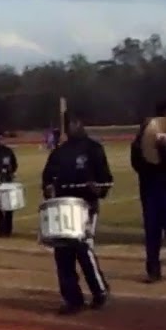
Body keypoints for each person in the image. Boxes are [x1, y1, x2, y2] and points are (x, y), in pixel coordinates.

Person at [41, 112, 112, 313]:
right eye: (68, 124)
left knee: (83, 247)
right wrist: (48, 187)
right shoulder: (59, 153)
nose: (71, 127)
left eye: (73, 123)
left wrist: (97, 188)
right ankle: (72, 299)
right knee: (62, 252)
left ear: (81, 124)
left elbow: (106, 179)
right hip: (62, 206)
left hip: (86, 205)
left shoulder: (94, 149)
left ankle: (99, 291)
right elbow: (47, 177)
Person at [131, 103, 166, 283]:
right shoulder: (144, 136)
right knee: (152, 231)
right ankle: (153, 270)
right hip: (149, 188)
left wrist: (164, 150)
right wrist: (148, 147)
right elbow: (137, 163)